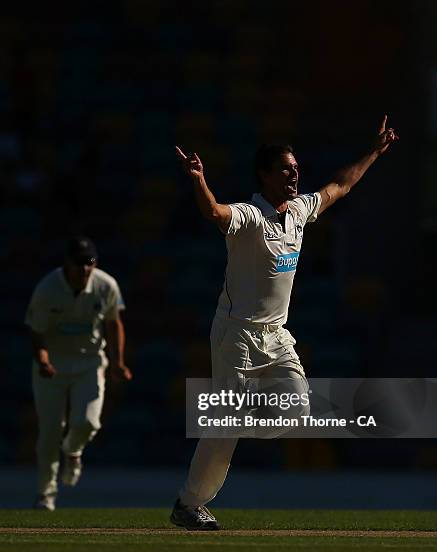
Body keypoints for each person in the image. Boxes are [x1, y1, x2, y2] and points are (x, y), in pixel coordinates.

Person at [171, 115, 399, 530]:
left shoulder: (297, 211)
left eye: (296, 168)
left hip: (276, 336)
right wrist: (198, 180)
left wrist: (374, 151)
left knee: (296, 409)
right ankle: (189, 505)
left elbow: (340, 186)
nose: (295, 174)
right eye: (286, 169)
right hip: (237, 334)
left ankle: (228, 421)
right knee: (226, 431)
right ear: (265, 175)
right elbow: (216, 213)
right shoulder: (250, 216)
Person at [25, 236, 132, 511]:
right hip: (53, 365)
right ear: (67, 263)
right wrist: (43, 360)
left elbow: (114, 323)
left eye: (90, 263)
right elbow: (37, 331)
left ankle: (72, 451)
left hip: (90, 362)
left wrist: (117, 362)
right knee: (50, 431)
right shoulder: (47, 289)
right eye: (79, 263)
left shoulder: (105, 285)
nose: (85, 269)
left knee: (87, 422)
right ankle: (45, 494)